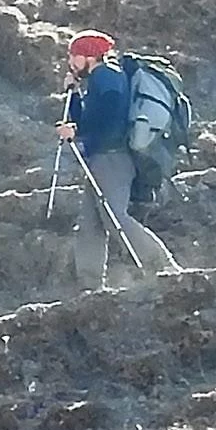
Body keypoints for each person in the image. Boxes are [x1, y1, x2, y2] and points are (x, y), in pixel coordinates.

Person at [58, 32, 178, 289]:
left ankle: (164, 267)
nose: (70, 61)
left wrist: (76, 131)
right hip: (101, 158)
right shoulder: (100, 79)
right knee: (90, 224)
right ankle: (89, 286)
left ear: (89, 56)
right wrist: (75, 94)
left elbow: (109, 118)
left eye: (74, 56)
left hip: (112, 158)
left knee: (114, 218)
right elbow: (87, 117)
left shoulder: (107, 76)